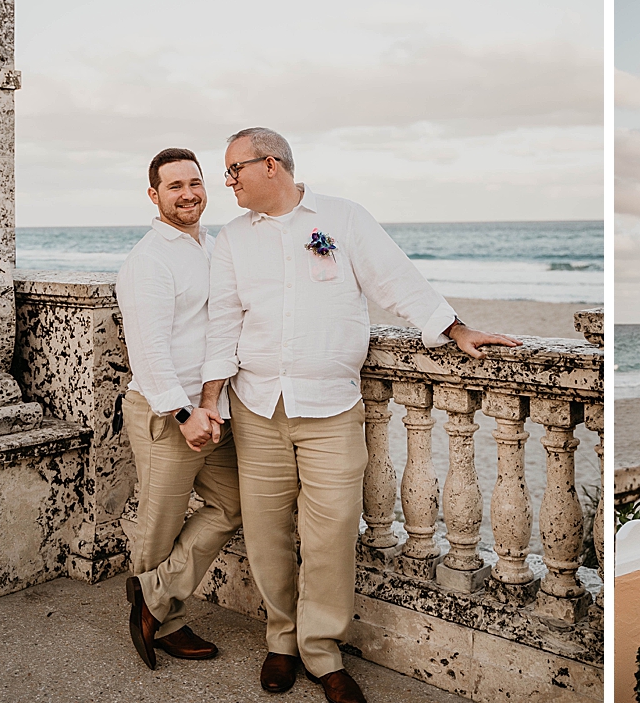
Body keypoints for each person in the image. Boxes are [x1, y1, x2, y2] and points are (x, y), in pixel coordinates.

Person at [198, 127, 519, 703]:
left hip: (331, 408)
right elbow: (223, 322)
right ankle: (281, 641)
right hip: (256, 406)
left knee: (332, 532)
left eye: (233, 170)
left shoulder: (343, 220)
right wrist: (209, 401)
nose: (228, 183)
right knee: (268, 533)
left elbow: (396, 280)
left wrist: (454, 328)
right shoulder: (232, 239)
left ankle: (322, 652)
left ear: (270, 165)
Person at [117, 148, 242, 670]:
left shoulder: (211, 247)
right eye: (174, 185)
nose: (188, 193)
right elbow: (148, 349)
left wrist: (210, 405)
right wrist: (182, 413)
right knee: (159, 524)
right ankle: (160, 622)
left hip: (213, 408)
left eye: (195, 182)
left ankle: (152, 598)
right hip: (168, 412)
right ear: (154, 195)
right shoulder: (149, 260)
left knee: (232, 505)